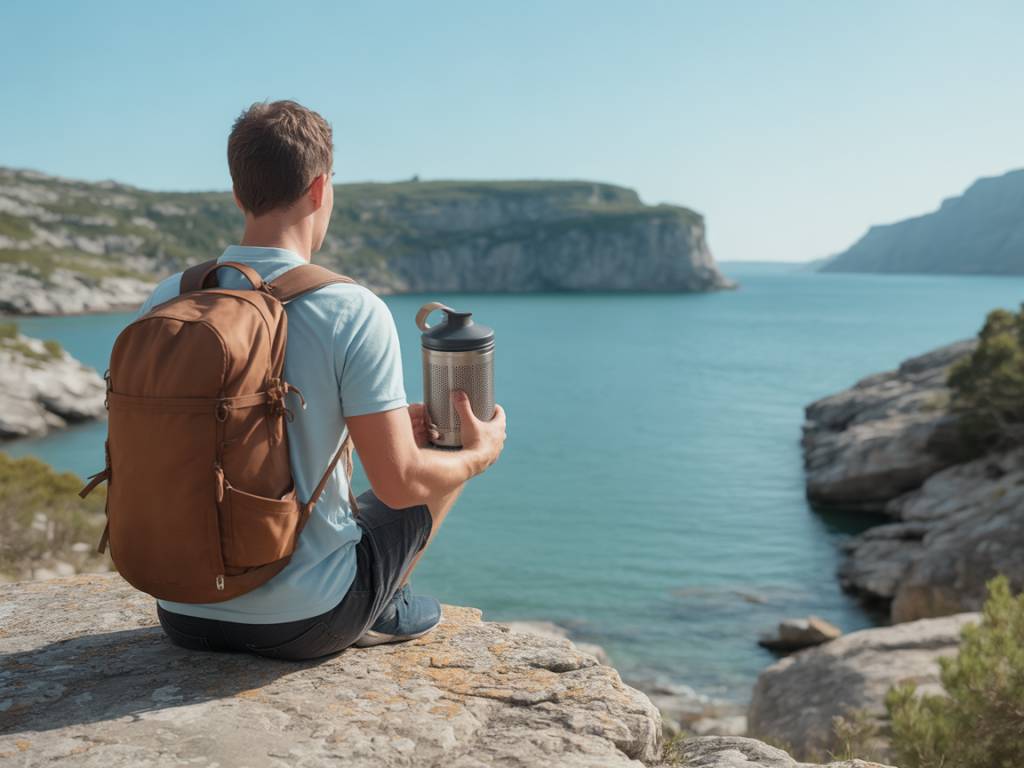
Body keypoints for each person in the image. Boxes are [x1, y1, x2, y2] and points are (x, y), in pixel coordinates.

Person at [150, 100, 506, 660]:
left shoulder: (171, 297)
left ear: (239, 194)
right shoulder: (349, 307)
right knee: (448, 445)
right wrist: (476, 455)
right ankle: (380, 602)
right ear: (320, 189)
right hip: (307, 622)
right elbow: (400, 483)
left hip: (181, 608)